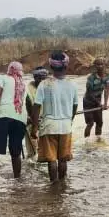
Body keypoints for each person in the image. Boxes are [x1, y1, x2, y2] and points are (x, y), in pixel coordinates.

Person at [30, 50, 78, 182]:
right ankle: (62, 186)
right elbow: (75, 106)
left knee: (52, 160)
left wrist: (34, 127)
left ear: (51, 66)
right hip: (66, 126)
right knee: (63, 160)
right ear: (66, 66)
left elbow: (36, 107)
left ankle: (53, 187)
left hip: (49, 126)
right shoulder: (72, 84)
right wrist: (70, 119)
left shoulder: (44, 84)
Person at [0, 61, 28, 181]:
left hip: (3, 116)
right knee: (16, 153)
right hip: (20, 118)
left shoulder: (3, 78)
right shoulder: (22, 84)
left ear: (9, 70)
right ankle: (17, 181)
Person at [83, 58, 109, 137]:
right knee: (90, 123)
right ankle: (86, 142)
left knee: (99, 122)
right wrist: (100, 104)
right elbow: (89, 93)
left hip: (98, 99)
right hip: (88, 101)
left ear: (105, 65)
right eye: (98, 65)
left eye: (102, 64)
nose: (100, 66)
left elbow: (106, 89)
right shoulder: (91, 77)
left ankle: (98, 141)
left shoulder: (108, 75)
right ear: (95, 66)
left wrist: (105, 104)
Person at [24, 67, 47, 158]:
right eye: (39, 78)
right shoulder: (29, 93)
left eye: (43, 78)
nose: (42, 80)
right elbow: (28, 110)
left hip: (46, 124)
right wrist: (33, 123)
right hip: (32, 124)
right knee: (32, 154)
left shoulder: (50, 89)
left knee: (46, 153)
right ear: (35, 78)